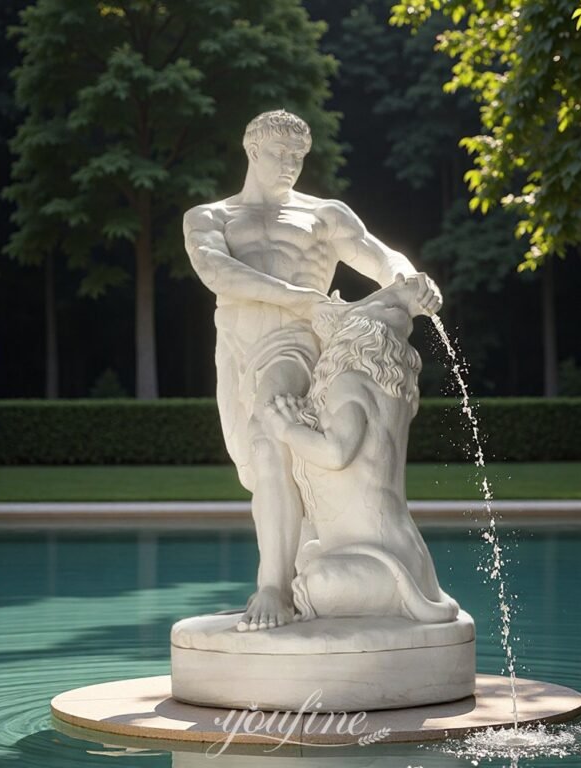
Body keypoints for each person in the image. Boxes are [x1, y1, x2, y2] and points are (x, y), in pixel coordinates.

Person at [183, 110, 442, 631]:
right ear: (251, 149)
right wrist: (304, 298)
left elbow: (376, 255)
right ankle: (307, 572)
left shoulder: (324, 215)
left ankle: (272, 586)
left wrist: (409, 279)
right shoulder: (210, 217)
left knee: (269, 439)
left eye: (298, 157)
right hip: (239, 345)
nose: (290, 166)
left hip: (298, 342)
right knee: (258, 466)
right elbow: (218, 272)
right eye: (280, 155)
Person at [262, 275, 459, 624]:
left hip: (378, 561)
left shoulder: (348, 382)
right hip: (404, 557)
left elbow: (337, 453)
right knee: (310, 553)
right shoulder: (391, 393)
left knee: (314, 581)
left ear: (350, 337)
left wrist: (287, 429)